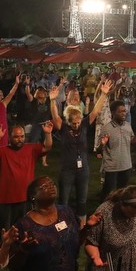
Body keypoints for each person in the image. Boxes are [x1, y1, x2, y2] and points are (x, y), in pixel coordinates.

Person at [48, 80, 109, 224]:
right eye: (74, 123)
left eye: (78, 122)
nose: (77, 125)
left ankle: (82, 227)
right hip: (67, 169)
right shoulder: (63, 129)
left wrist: (103, 94)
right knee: (64, 200)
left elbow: (95, 111)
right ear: (68, 121)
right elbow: (55, 116)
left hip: (83, 169)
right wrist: (52, 100)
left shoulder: (84, 126)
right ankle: (62, 224)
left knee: (82, 200)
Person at [9, 177, 80, 271]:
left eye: (52, 184)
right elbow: (12, 266)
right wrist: (23, 250)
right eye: (44, 186)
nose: (51, 187)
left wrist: (87, 228)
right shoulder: (24, 225)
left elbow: (75, 244)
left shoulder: (66, 212)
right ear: (33, 196)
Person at [0, 121, 53, 239]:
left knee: (25, 231)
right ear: (9, 137)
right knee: (5, 233)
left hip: (25, 199)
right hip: (5, 199)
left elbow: (47, 147)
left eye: (22, 136)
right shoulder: (3, 151)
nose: (19, 139)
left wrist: (48, 134)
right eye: (16, 137)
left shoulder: (31, 148)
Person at [96, 99, 134, 199]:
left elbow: (132, 141)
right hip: (111, 167)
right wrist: (102, 144)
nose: (123, 113)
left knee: (123, 193)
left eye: (124, 111)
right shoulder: (106, 129)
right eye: (120, 111)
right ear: (113, 113)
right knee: (108, 194)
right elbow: (99, 151)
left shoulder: (128, 126)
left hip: (126, 165)